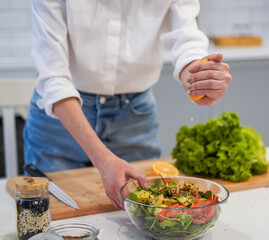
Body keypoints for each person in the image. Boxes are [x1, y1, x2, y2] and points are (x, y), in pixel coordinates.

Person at [24, 0, 232, 210]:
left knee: (148, 214)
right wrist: (102, 160)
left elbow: (185, 37)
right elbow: (53, 77)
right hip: (61, 118)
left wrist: (199, 78)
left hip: (134, 114)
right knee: (50, 214)